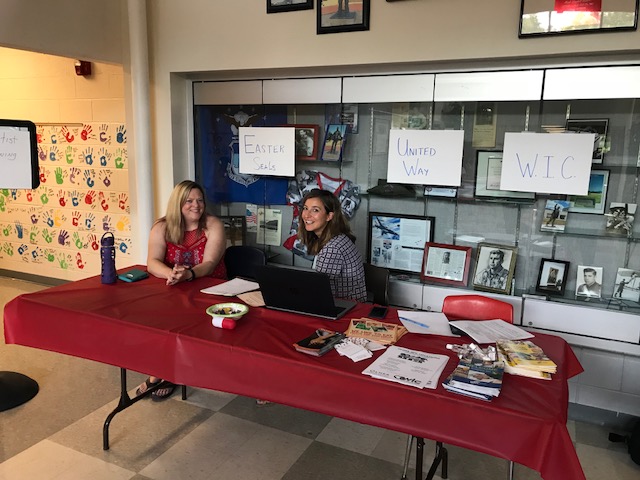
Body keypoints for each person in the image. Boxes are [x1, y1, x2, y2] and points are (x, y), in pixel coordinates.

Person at [137, 180, 227, 400]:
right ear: (178, 203)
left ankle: (164, 373)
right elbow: (152, 263)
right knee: (157, 318)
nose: (196, 205)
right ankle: (161, 371)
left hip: (209, 290)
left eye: (200, 200)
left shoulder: (213, 225)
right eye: (189, 201)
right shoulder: (162, 227)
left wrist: (189, 274)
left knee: (180, 321)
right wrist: (171, 274)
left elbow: (210, 264)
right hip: (175, 289)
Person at [298, 189, 367, 302]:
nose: (307, 215)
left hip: (346, 308)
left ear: (329, 216)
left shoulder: (332, 249)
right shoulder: (339, 237)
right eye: (305, 208)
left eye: (315, 210)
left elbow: (320, 292)